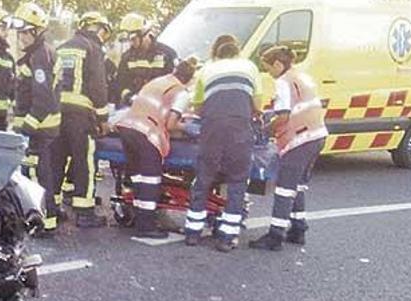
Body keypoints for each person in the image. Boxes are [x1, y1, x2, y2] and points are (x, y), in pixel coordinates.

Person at [184, 34, 262, 252]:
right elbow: (258, 104)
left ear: (216, 53)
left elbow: (197, 108)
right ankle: (227, 237)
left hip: (212, 128)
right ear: (237, 51)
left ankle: (192, 232)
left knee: (204, 177)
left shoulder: (205, 70)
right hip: (239, 129)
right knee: (237, 180)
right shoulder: (250, 67)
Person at [249, 45, 328, 251]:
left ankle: (275, 235)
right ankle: (298, 229)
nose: (268, 73)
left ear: (277, 64)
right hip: (317, 135)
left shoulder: (283, 82)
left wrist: (265, 131)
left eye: (268, 68)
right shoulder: (300, 76)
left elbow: (283, 116)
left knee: (284, 188)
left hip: (299, 139)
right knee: (298, 185)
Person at [115, 58, 197, 238]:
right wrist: (188, 128)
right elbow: (171, 124)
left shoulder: (159, 82)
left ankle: (138, 217)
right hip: (147, 133)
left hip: (128, 128)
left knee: (138, 178)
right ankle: (146, 227)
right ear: (190, 79)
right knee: (150, 179)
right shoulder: (180, 92)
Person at [51, 11, 111, 229]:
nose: (104, 36)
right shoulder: (93, 48)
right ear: (97, 27)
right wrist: (103, 117)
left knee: (56, 159)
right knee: (84, 160)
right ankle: (84, 212)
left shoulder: (62, 47)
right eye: (104, 31)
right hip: (80, 113)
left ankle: (53, 207)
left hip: (57, 111)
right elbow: (98, 85)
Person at [11, 3, 62, 234]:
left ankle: (44, 222)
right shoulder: (37, 54)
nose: (20, 37)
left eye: (24, 32)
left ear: (37, 31)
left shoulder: (40, 56)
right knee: (42, 174)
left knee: (37, 177)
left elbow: (43, 99)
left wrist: (26, 128)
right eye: (19, 32)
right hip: (41, 127)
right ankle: (47, 218)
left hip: (39, 129)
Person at [115, 13, 177, 107]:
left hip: (161, 107)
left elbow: (176, 83)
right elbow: (121, 84)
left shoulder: (167, 54)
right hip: (135, 108)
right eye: (129, 40)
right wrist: (129, 97)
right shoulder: (127, 58)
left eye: (133, 39)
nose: (131, 44)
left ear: (144, 34)